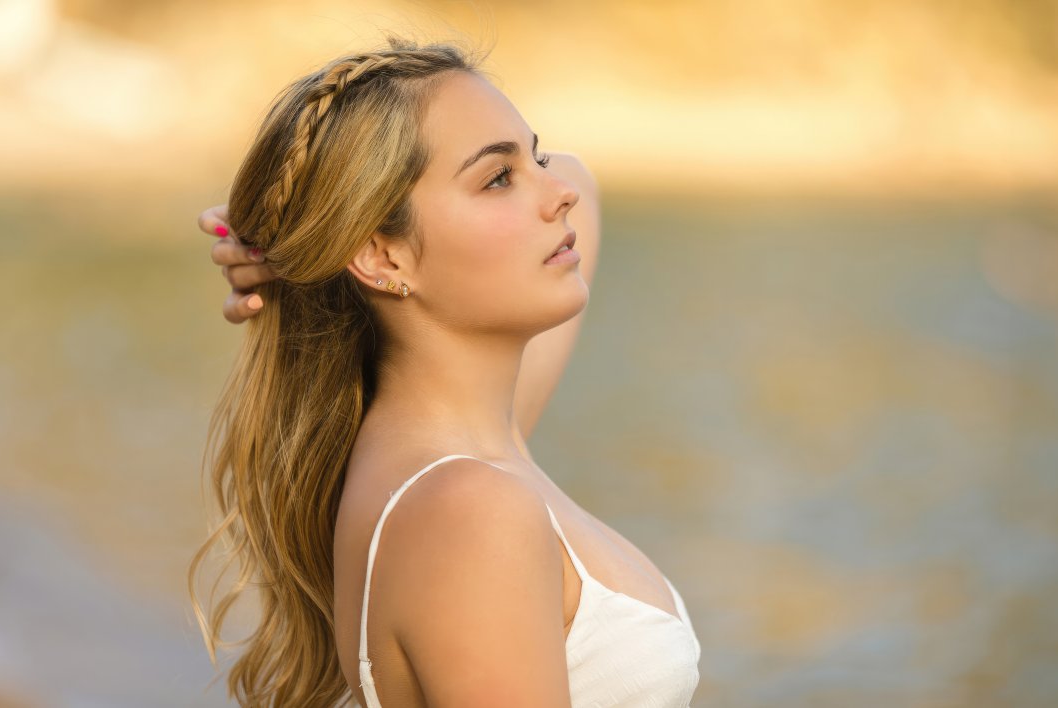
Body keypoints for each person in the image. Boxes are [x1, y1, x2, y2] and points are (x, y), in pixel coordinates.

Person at [189, 35, 700, 708]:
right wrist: (305, 236)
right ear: (382, 257)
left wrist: (287, 244)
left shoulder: (473, 448)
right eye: (497, 178)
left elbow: (579, 183)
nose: (560, 195)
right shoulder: (468, 510)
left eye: (535, 156)